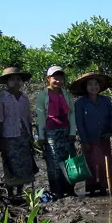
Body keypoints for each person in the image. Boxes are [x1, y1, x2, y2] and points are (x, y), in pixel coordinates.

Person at [34, 66, 77, 199]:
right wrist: (41, 136)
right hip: (51, 132)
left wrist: (73, 132)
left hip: (66, 130)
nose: (58, 81)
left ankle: (70, 189)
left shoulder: (66, 94)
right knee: (54, 162)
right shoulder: (42, 96)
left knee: (69, 159)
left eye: (60, 78)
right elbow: (40, 117)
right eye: (55, 78)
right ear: (48, 79)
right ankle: (57, 191)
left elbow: (72, 114)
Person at [0, 67, 36, 197]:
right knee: (10, 164)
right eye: (12, 79)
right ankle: (11, 193)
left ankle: (20, 191)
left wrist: (31, 137)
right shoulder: (1, 99)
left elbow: (28, 118)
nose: (16, 82)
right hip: (8, 136)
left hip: (23, 134)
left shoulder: (24, 98)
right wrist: (1, 140)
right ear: (6, 81)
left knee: (24, 164)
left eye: (18, 79)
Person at [73, 72, 112, 197]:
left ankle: (105, 187)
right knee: (91, 164)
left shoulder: (105, 100)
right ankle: (91, 189)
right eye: (90, 84)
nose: (93, 87)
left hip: (104, 138)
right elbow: (79, 123)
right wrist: (84, 141)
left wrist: (110, 131)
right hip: (89, 139)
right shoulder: (80, 103)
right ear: (85, 87)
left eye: (96, 84)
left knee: (105, 163)